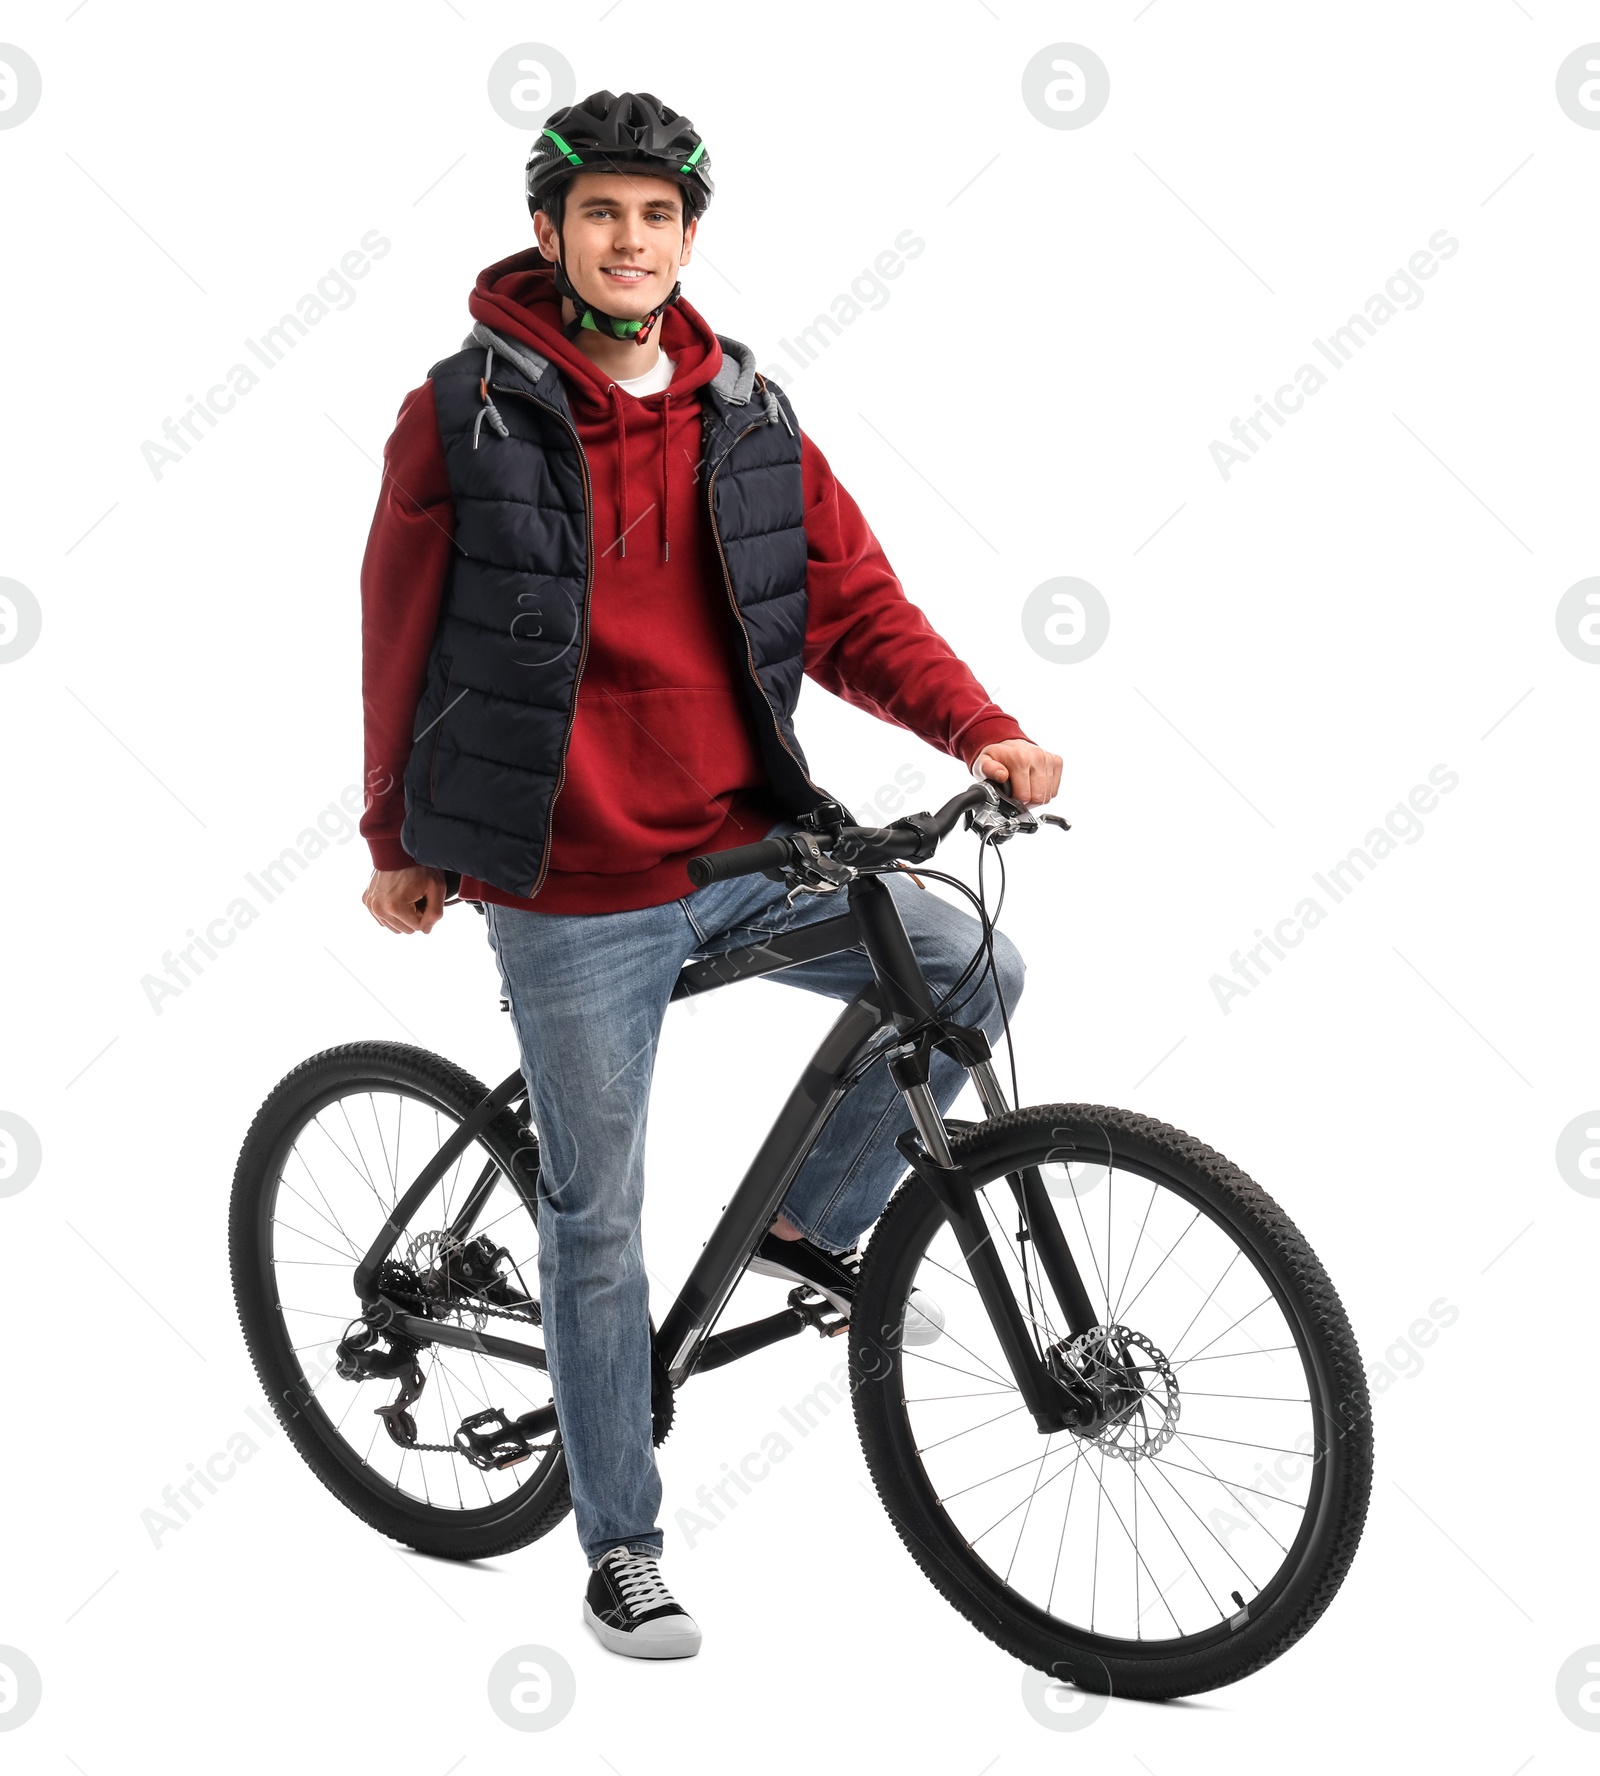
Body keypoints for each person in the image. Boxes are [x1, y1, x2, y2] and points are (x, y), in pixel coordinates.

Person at [357, 89, 1062, 1660]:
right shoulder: (462, 409)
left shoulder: (746, 412)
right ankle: (621, 1543)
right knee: (599, 1221)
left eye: (656, 215)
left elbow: (856, 605)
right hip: (568, 882)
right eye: (599, 212)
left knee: (969, 967)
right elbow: (396, 629)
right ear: (548, 232)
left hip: (745, 848)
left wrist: (981, 727)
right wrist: (396, 838)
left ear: (688, 237)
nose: (628, 239)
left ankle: (816, 1233)